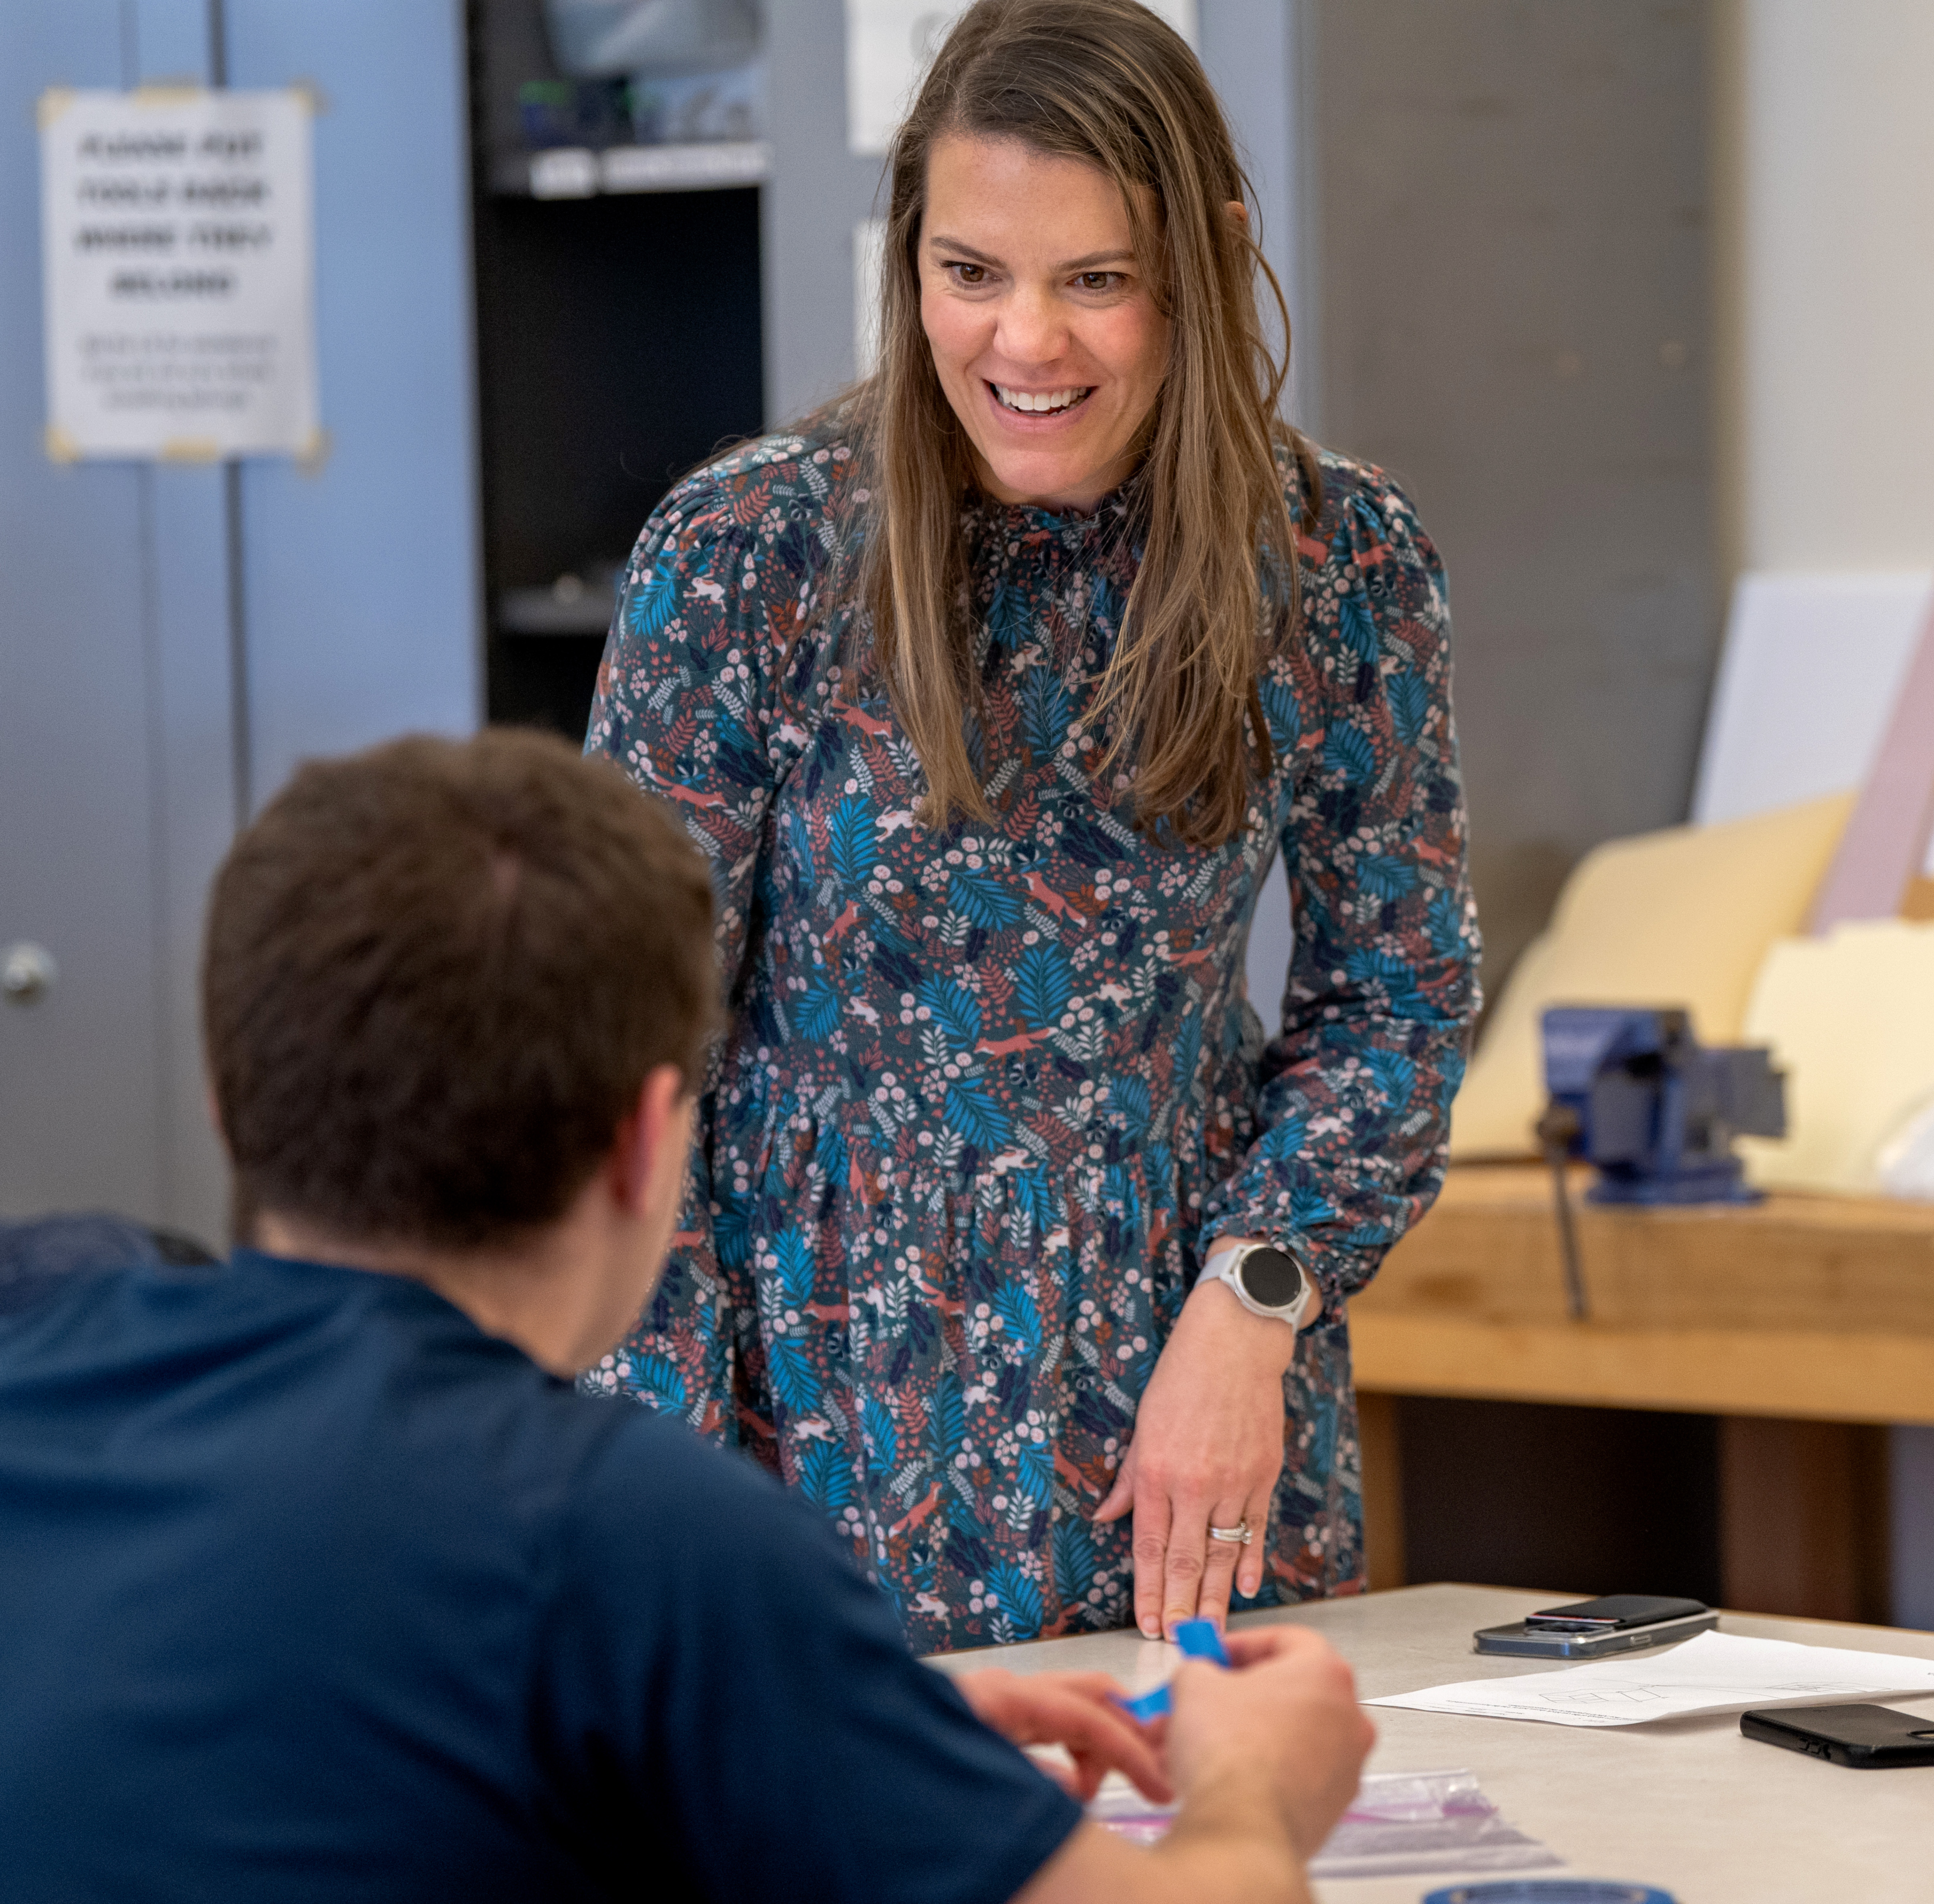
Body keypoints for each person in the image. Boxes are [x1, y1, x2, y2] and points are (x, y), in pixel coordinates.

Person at [0, 729, 1375, 1903]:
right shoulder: (638, 1539)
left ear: (227, 1102)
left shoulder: (48, 1330)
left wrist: (813, 1720)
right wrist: (1254, 1786)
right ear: (649, 1142)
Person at [586, 0, 1479, 1650]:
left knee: (1219, 1813)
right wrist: (668, 1497)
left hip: (1188, 1426)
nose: (1025, 341)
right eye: (971, 271)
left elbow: (1398, 996)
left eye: (1096, 279)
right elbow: (619, 1062)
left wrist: (1255, 1301)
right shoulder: (750, 555)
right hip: (809, 1430)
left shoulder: (1338, 562)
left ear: (1205, 264)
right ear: (909, 257)